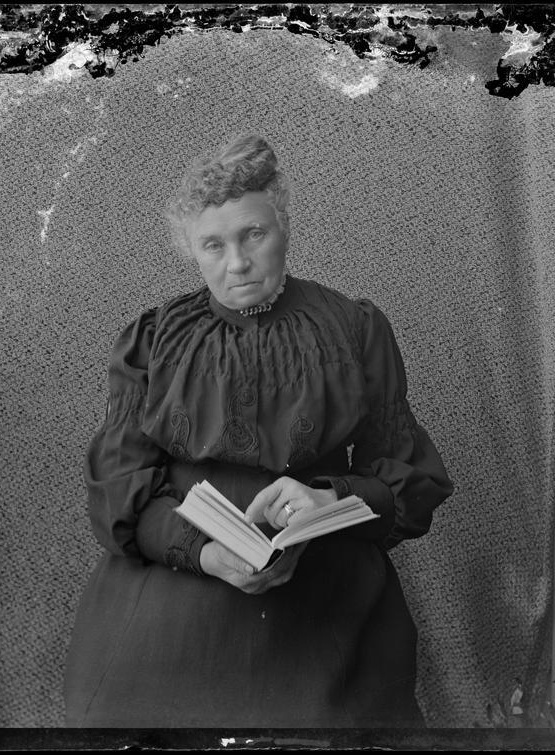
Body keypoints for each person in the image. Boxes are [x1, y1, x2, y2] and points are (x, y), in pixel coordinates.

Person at [64, 134, 454, 728]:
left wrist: (331, 500)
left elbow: (408, 479)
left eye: (254, 235)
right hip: (176, 592)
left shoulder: (354, 327)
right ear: (192, 252)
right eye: (213, 245)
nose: (238, 263)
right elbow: (118, 491)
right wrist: (204, 553)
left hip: (324, 600)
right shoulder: (154, 339)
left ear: (284, 228)